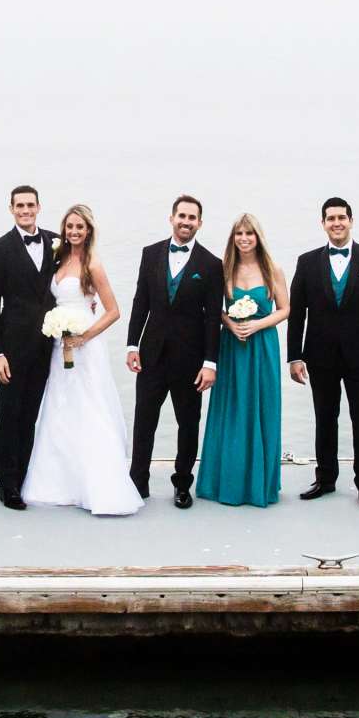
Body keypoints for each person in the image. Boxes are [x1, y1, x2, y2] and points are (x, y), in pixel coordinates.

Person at [20, 204, 139, 516]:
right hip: (60, 347)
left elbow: (113, 311)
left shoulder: (92, 265)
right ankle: (61, 482)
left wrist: (84, 336)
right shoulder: (57, 258)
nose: (74, 232)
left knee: (89, 407)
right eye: (70, 226)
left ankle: (96, 483)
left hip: (85, 348)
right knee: (60, 406)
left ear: (88, 231)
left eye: (80, 227)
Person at [285, 197, 359, 510]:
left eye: (342, 218)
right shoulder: (306, 262)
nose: (337, 223)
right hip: (319, 356)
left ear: (351, 220)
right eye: (331, 218)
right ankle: (325, 478)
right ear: (323, 223)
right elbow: (297, 314)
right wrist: (295, 356)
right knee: (325, 418)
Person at [124, 195, 222, 507]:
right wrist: (131, 344)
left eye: (192, 218)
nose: (186, 222)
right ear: (171, 218)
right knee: (144, 420)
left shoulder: (211, 264)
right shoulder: (150, 254)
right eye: (182, 216)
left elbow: (211, 318)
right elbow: (141, 301)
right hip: (152, 354)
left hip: (191, 360)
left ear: (200, 224)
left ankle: (182, 484)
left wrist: (210, 363)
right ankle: (137, 482)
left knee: (188, 423)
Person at [194, 213, 287, 508]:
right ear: (233, 238)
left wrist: (258, 324)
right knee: (232, 409)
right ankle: (227, 481)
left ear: (258, 237)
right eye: (239, 234)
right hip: (232, 347)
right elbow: (213, 307)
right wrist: (230, 323)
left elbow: (285, 309)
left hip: (262, 346)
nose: (244, 239)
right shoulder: (225, 270)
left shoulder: (273, 270)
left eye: (249, 233)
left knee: (261, 407)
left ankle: (259, 482)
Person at [0, 185, 59, 510]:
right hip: (12, 348)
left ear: (39, 207)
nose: (25, 210)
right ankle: (8, 484)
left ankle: (25, 476)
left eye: (30, 205)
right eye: (20, 206)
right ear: (11, 209)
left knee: (30, 415)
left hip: (48, 346)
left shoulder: (58, 242)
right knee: (9, 414)